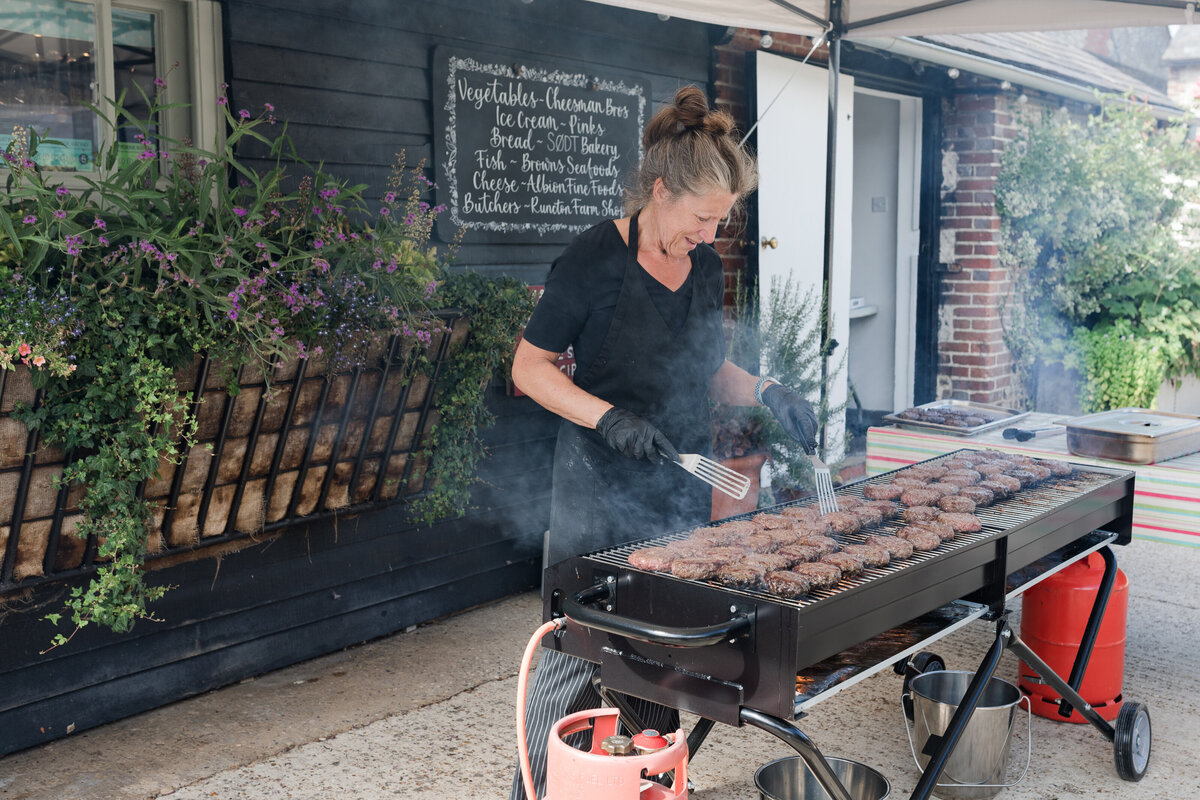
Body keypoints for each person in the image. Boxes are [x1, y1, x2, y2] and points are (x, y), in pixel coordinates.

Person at [508, 86, 819, 800]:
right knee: (571, 649)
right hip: (595, 486)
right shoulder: (591, 259)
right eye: (704, 217)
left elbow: (706, 365)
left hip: (676, 483)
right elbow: (527, 368)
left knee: (657, 645)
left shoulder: (704, 267)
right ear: (660, 192)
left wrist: (768, 391)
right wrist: (606, 417)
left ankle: (646, 778)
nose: (712, 234)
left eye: (723, 221)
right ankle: (529, 790)